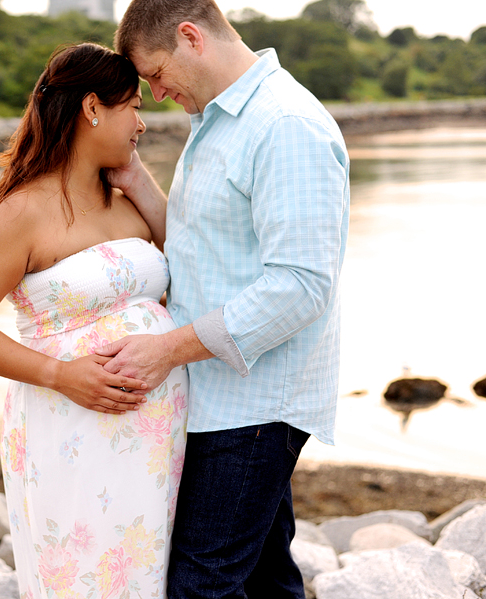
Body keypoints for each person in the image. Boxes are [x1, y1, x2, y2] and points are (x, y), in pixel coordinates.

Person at [100, 2, 351, 598]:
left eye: (156, 73)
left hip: (256, 406)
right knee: (266, 579)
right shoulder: (221, 121)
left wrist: (166, 351)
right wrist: (136, 180)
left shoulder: (285, 124)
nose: (156, 94)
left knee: (200, 586)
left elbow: (301, 283)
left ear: (191, 37)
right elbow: (201, 249)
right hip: (222, 398)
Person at [0, 43, 189, 599]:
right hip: (70, 424)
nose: (143, 123)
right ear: (93, 108)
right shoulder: (20, 212)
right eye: (134, 106)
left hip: (157, 435)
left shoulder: (127, 202)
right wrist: (61, 375)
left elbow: (194, 270)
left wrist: (142, 183)